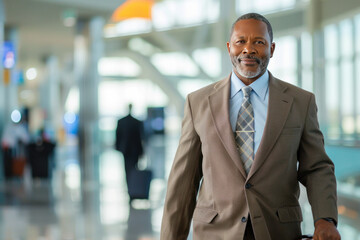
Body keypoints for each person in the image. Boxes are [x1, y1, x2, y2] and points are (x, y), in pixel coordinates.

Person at [160, 13, 340, 240]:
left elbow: (317, 168)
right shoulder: (198, 102)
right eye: (240, 41)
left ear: (272, 49)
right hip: (215, 232)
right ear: (229, 47)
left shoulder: (300, 102)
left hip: (278, 230)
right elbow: (184, 180)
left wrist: (325, 218)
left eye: (259, 42)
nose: (249, 49)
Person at [115, 104, 144, 199]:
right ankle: (133, 189)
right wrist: (142, 151)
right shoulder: (137, 122)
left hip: (125, 150)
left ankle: (130, 189)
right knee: (133, 169)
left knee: (127, 169)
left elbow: (118, 136)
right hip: (135, 150)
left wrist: (118, 147)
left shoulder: (121, 121)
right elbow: (140, 138)